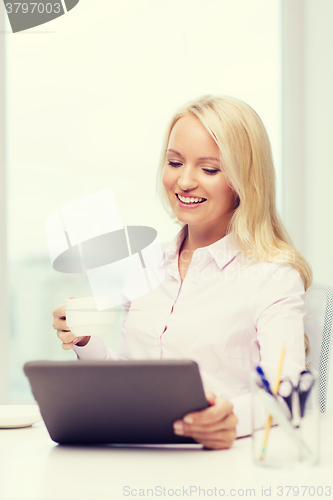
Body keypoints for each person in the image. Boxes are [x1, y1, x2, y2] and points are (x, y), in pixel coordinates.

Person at [52, 95, 312, 450]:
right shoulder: (145, 266)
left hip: (221, 463)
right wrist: (85, 341)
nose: (184, 181)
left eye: (209, 169)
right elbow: (130, 375)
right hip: (137, 455)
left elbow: (287, 392)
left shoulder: (272, 275)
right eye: (175, 162)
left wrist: (230, 419)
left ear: (244, 181)